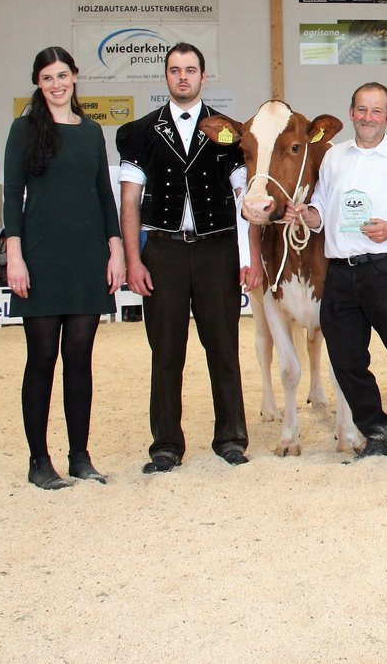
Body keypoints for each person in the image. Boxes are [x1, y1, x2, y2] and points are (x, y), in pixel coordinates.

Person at [117, 43, 258, 474]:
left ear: (202, 76)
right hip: (163, 251)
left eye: (190, 70)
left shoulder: (230, 133)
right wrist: (134, 260)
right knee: (165, 351)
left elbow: (245, 198)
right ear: (166, 76)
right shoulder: (140, 132)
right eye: (175, 70)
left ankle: (231, 438)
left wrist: (250, 255)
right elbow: (129, 202)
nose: (183, 77)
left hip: (217, 250)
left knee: (224, 348)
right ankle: (165, 445)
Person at [285, 82, 387, 476]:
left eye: (376, 111)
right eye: (362, 110)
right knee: (346, 361)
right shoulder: (334, 158)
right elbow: (321, 212)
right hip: (339, 273)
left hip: (386, 271)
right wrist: (304, 214)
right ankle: (380, 434)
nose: (368, 117)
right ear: (351, 113)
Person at [3, 47, 125, 490]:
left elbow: (105, 196)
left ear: (75, 77)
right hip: (40, 257)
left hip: (87, 258)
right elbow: (12, 195)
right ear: (38, 84)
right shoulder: (23, 130)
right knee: (41, 358)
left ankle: (80, 456)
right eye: (47, 78)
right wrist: (15, 255)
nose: (56, 84)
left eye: (62, 75)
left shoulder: (92, 132)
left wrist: (115, 249)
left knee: (79, 358)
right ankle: (39, 460)